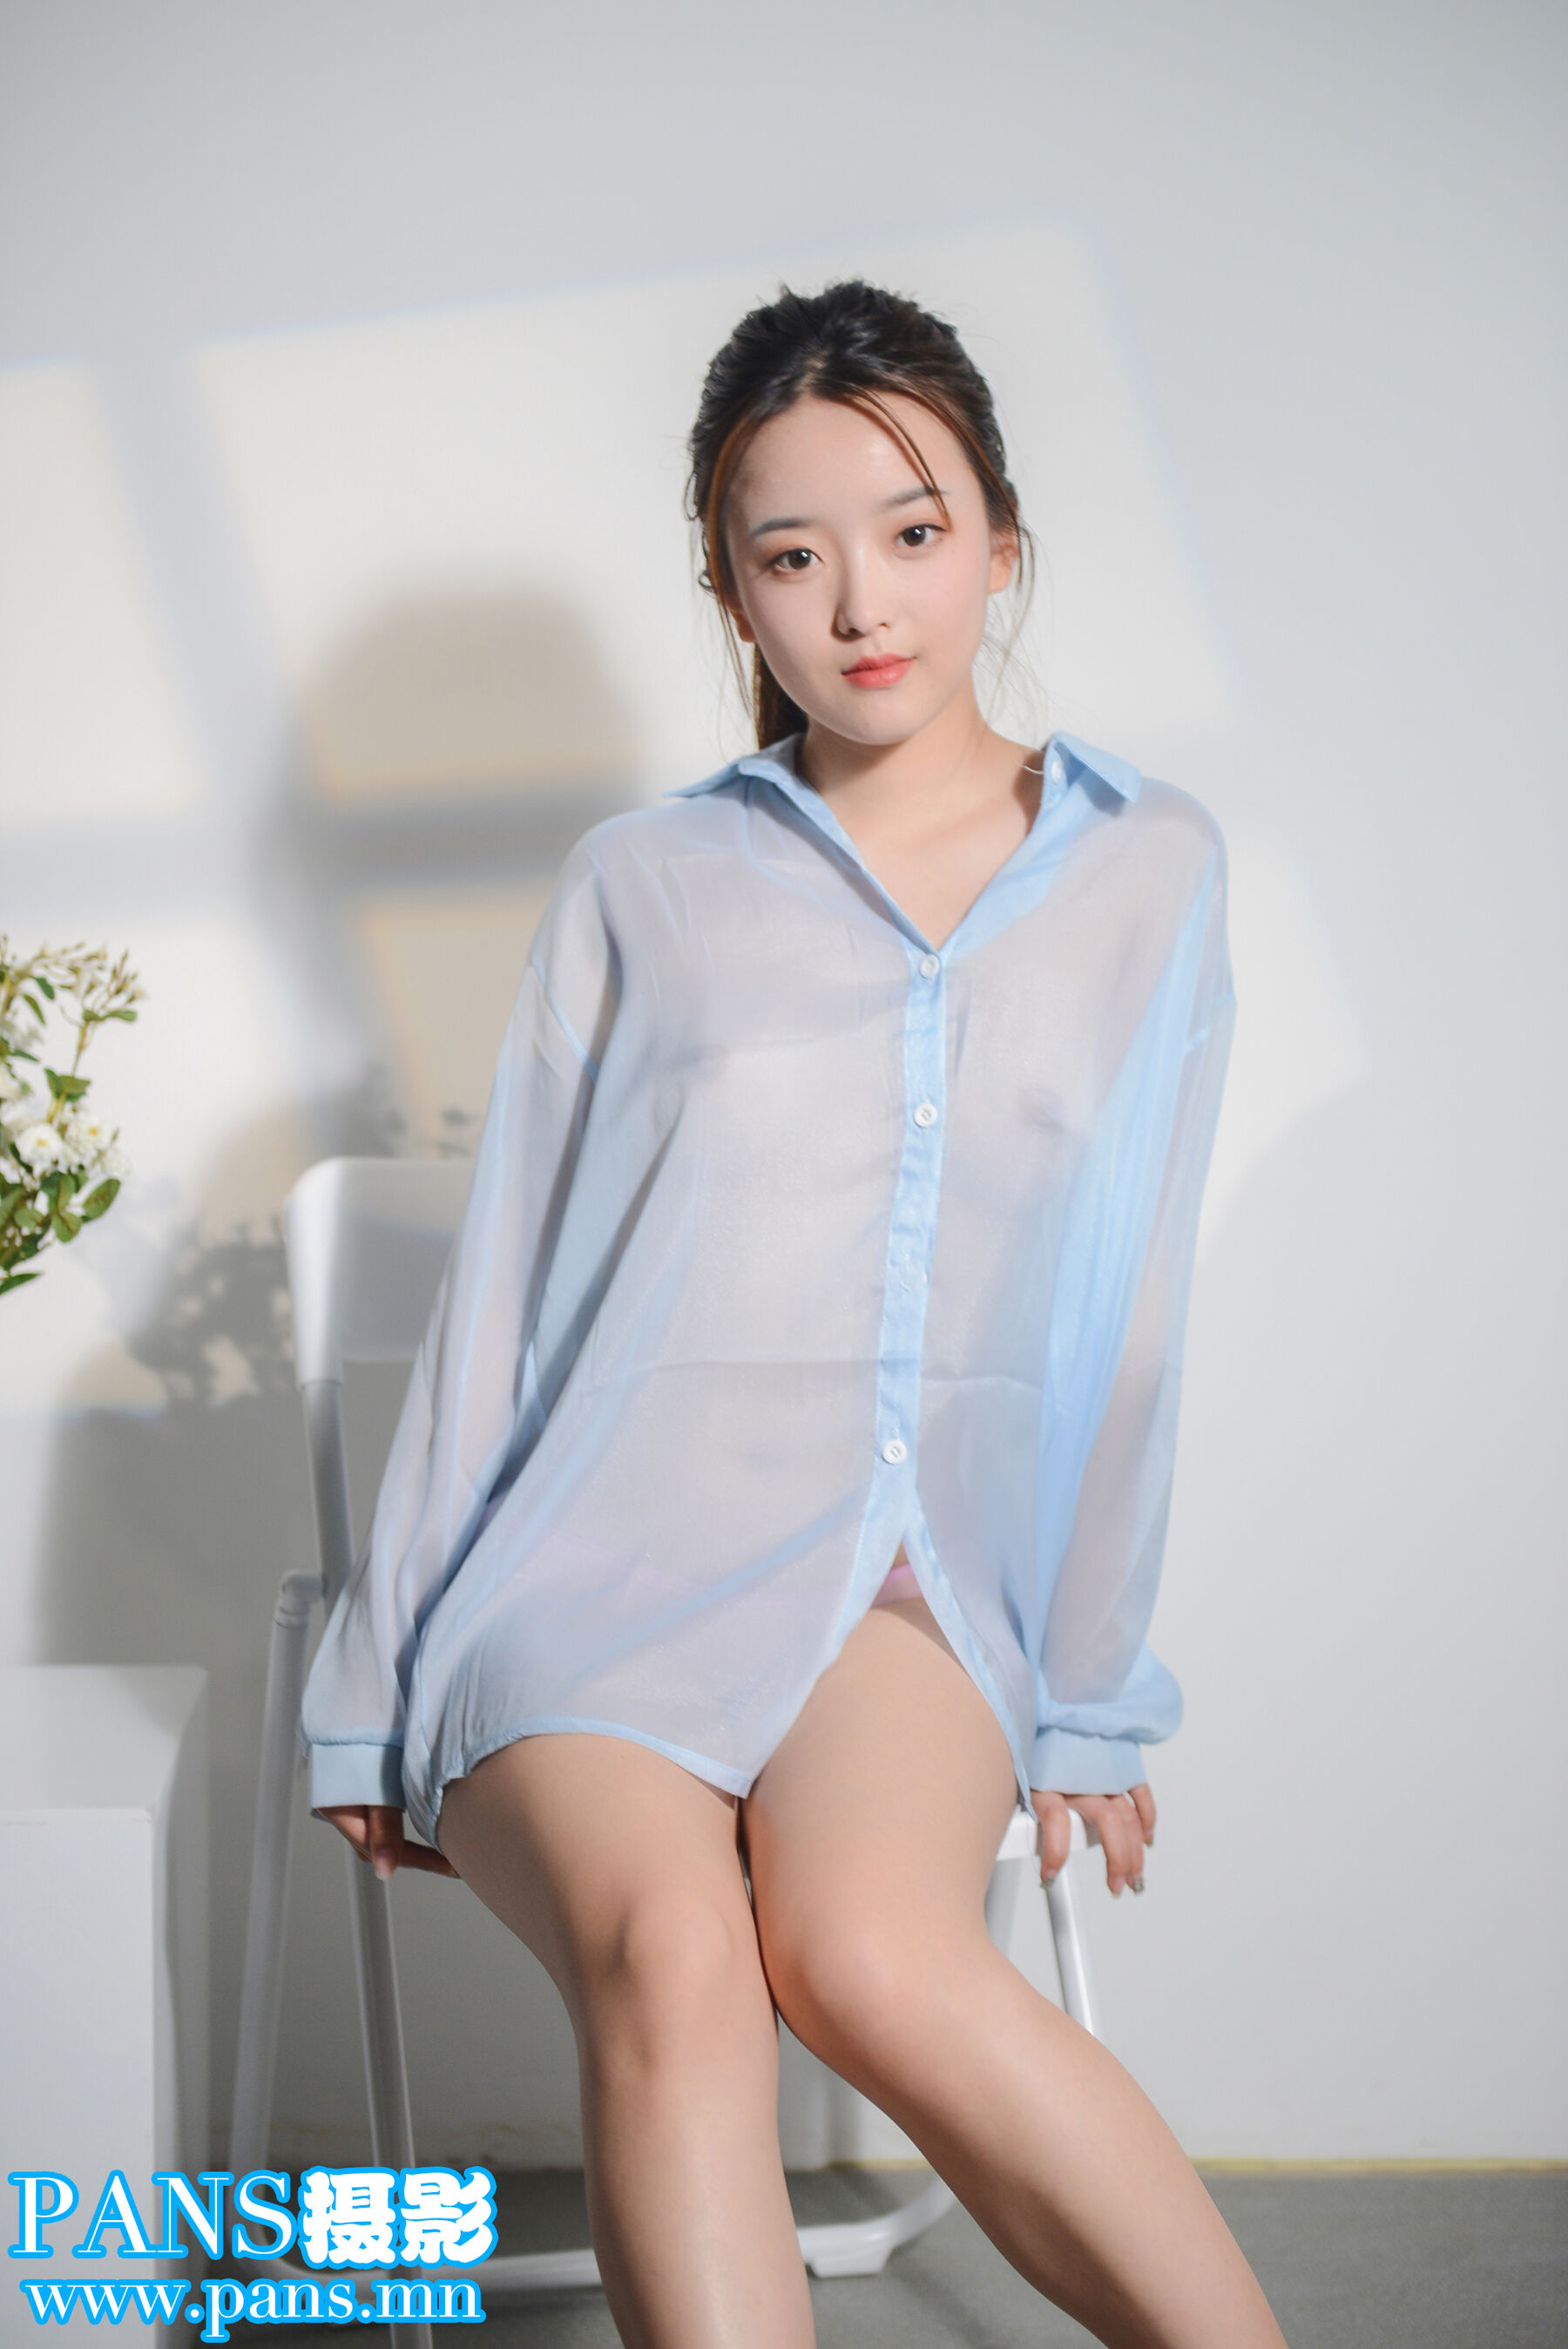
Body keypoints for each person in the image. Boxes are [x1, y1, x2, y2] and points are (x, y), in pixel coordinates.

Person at [301, 281, 1288, 2349]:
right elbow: (509, 1300)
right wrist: (372, 1675)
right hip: (592, 1567)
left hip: (910, 1586)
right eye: (790, 553)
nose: (861, 603)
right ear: (729, 591)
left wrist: (1087, 1684)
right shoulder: (645, 882)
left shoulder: (1151, 870)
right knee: (677, 1960)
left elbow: (1130, 1314)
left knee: (871, 1953)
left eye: (913, 531)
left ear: (1000, 544)